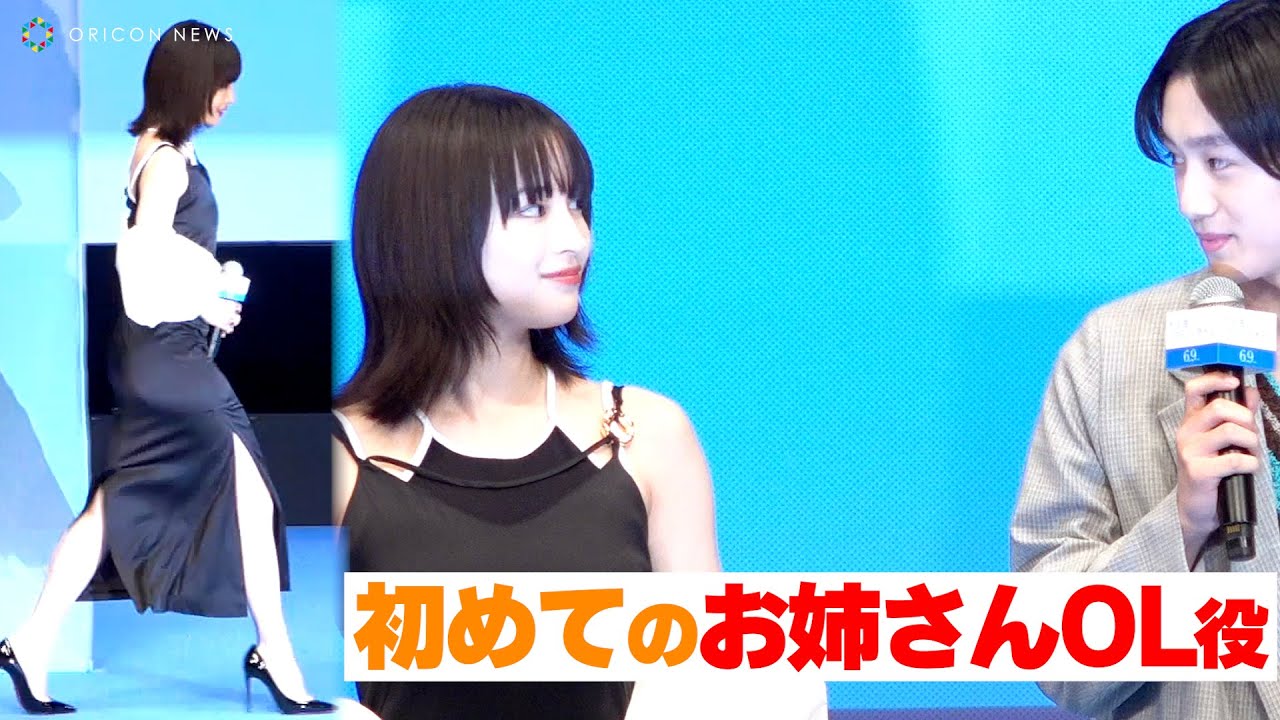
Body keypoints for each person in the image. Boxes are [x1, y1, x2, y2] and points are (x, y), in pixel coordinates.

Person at [331, 83, 722, 720]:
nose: (576, 239)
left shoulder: (649, 434)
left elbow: (707, 681)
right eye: (533, 208)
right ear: (432, 225)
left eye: (577, 205)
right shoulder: (337, 457)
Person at [0, 20, 333, 716]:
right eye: (225, 82)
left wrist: (205, 291)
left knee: (119, 499)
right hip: (166, 357)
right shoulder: (167, 163)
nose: (232, 97)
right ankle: (277, 658)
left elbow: (154, 252)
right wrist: (206, 296)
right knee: (248, 491)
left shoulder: (157, 148)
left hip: (153, 355)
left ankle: (28, 644)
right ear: (193, 83)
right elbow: (142, 254)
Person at [1010, 1, 1280, 717]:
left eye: (1219, 162)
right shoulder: (1110, 352)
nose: (1192, 200)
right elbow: (1050, 655)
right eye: (1178, 162)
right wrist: (1181, 522)